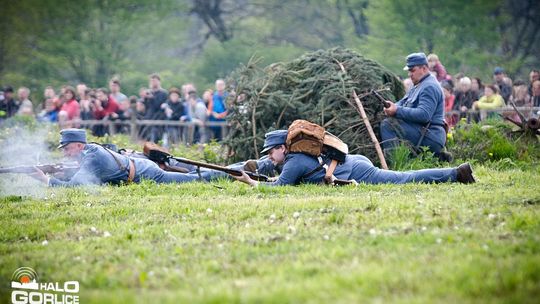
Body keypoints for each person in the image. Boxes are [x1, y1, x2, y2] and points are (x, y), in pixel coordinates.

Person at [233, 130, 475, 187]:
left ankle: (456, 173)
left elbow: (279, 188)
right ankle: (455, 173)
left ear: (282, 148)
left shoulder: (294, 160)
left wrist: (249, 182)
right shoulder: (296, 156)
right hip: (353, 162)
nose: (269, 157)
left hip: (356, 172)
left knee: (404, 179)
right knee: (403, 177)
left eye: (270, 152)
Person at [29, 129, 202, 186]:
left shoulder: (92, 156)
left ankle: (229, 170)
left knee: (194, 179)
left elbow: (75, 186)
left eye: (67, 148)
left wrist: (45, 180)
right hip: (139, 166)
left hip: (147, 173)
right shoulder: (89, 152)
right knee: (191, 176)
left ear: (79, 145)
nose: (65, 152)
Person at [380, 52, 446, 156]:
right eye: (409, 71)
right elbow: (402, 103)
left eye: (412, 70)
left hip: (431, 136)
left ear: (424, 68)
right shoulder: (419, 85)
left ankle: (393, 166)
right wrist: (390, 107)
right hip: (423, 132)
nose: (410, 74)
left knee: (388, 125)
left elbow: (424, 115)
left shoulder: (429, 86)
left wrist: (396, 110)